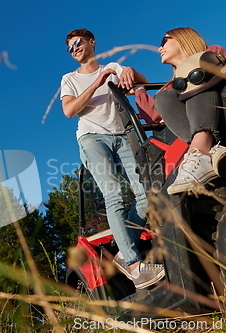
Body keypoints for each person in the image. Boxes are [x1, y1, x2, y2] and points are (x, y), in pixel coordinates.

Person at [60, 28, 164, 289]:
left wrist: (129, 70)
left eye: (78, 43)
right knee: (114, 193)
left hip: (122, 135)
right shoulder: (69, 79)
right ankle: (133, 264)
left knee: (146, 195)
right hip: (92, 138)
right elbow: (69, 110)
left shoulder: (113, 66)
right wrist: (98, 82)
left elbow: (140, 80)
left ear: (91, 42)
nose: (74, 49)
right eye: (70, 47)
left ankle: (123, 250)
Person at [134, 27, 226, 195]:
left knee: (200, 75)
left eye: (164, 41)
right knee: (164, 98)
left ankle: (200, 151)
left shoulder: (212, 53)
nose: (159, 48)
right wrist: (139, 90)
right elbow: (154, 117)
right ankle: (214, 151)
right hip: (213, 132)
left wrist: (195, 77)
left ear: (183, 38)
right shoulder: (170, 89)